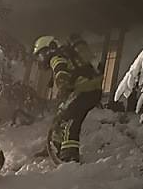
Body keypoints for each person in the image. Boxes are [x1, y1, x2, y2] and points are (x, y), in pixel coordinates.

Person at [33, 34, 103, 162]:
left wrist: (62, 89)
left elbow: (61, 73)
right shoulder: (68, 54)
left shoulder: (56, 57)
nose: (41, 59)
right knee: (62, 116)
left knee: (70, 119)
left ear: (48, 50)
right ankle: (54, 145)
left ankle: (69, 153)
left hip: (84, 90)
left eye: (41, 55)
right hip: (92, 90)